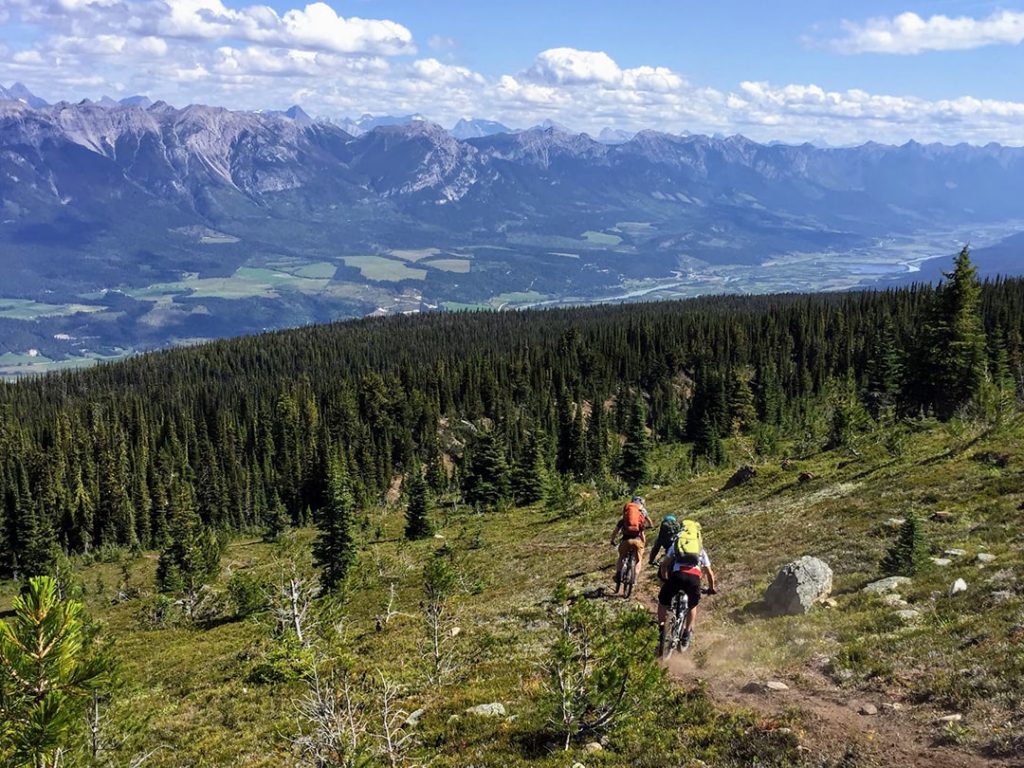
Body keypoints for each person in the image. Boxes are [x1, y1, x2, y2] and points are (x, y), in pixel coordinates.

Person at [657, 521, 717, 650]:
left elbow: (664, 564)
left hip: (677, 576)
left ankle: (662, 628)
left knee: (663, 601)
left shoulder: (677, 544)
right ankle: (686, 633)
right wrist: (712, 588)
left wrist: (665, 577)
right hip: (694, 579)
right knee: (692, 605)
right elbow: (709, 573)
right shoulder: (700, 549)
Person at [610, 495, 652, 592]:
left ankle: (618, 575)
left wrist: (612, 540)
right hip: (637, 541)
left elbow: (615, 532)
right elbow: (643, 533)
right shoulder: (641, 517)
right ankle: (634, 579)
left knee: (621, 557)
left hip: (626, 540)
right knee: (639, 560)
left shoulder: (624, 519)